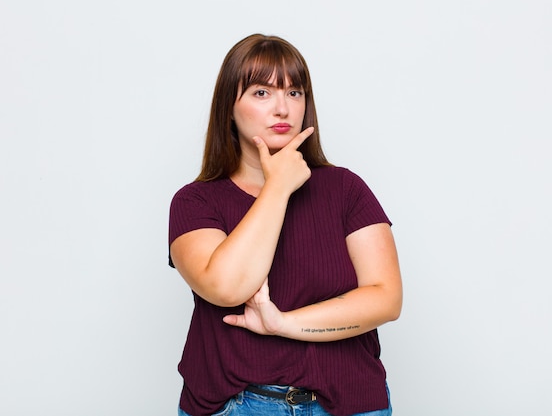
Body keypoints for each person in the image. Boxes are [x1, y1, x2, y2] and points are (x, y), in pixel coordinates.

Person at [168, 33, 402, 416]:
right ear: (229, 106)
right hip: (236, 406)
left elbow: (386, 298)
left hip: (348, 404)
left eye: (294, 93)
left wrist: (282, 324)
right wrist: (277, 188)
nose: (282, 108)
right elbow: (227, 287)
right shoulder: (195, 202)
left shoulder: (345, 188)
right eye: (262, 93)